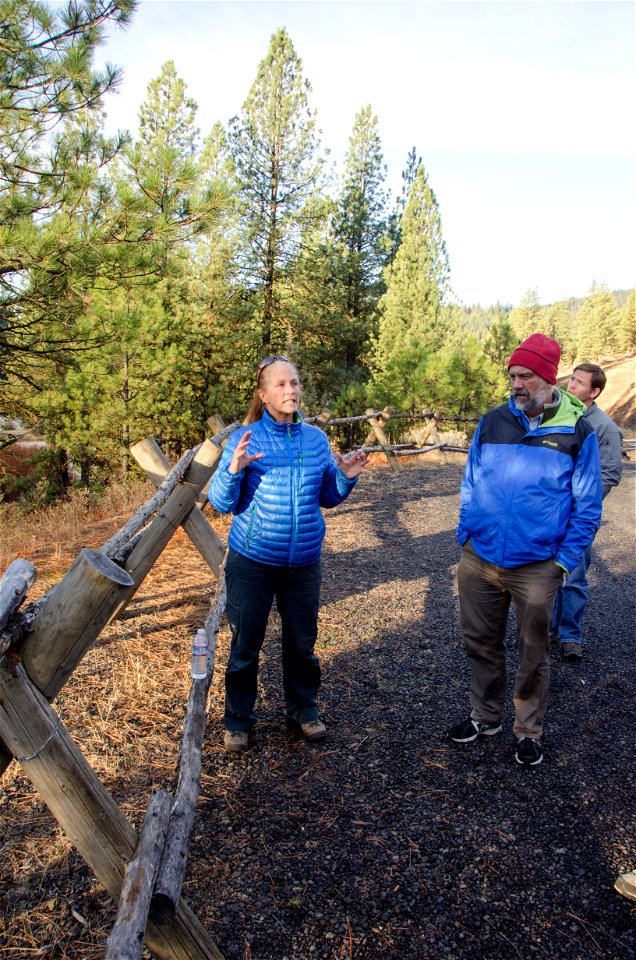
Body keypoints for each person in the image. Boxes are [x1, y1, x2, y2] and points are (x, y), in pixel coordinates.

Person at [449, 334, 602, 767]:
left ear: (548, 379)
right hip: (479, 557)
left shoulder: (577, 432)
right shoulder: (493, 421)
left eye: (526, 376)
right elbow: (471, 480)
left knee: (534, 650)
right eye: (513, 375)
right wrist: (466, 530)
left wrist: (564, 562)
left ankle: (527, 729)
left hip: (537, 565)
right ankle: (485, 716)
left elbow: (587, 505)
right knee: (480, 641)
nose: (516, 384)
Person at [209, 355, 368, 753]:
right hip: (253, 562)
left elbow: (327, 497)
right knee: (246, 645)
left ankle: (303, 710)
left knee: (302, 643)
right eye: (281, 385)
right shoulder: (246, 439)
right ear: (263, 396)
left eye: (294, 383)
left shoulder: (316, 439)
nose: (291, 390)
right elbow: (220, 503)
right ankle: (238, 721)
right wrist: (234, 469)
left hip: (304, 563)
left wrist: (345, 478)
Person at [551, 363, 623, 661]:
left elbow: (610, 473)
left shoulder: (604, 427)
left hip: (579, 516)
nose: (571, 386)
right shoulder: (559, 417)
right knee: (547, 573)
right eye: (572, 380)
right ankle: (547, 628)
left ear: (594, 392)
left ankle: (570, 635)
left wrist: (582, 505)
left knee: (575, 575)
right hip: (551, 513)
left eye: (580, 383)